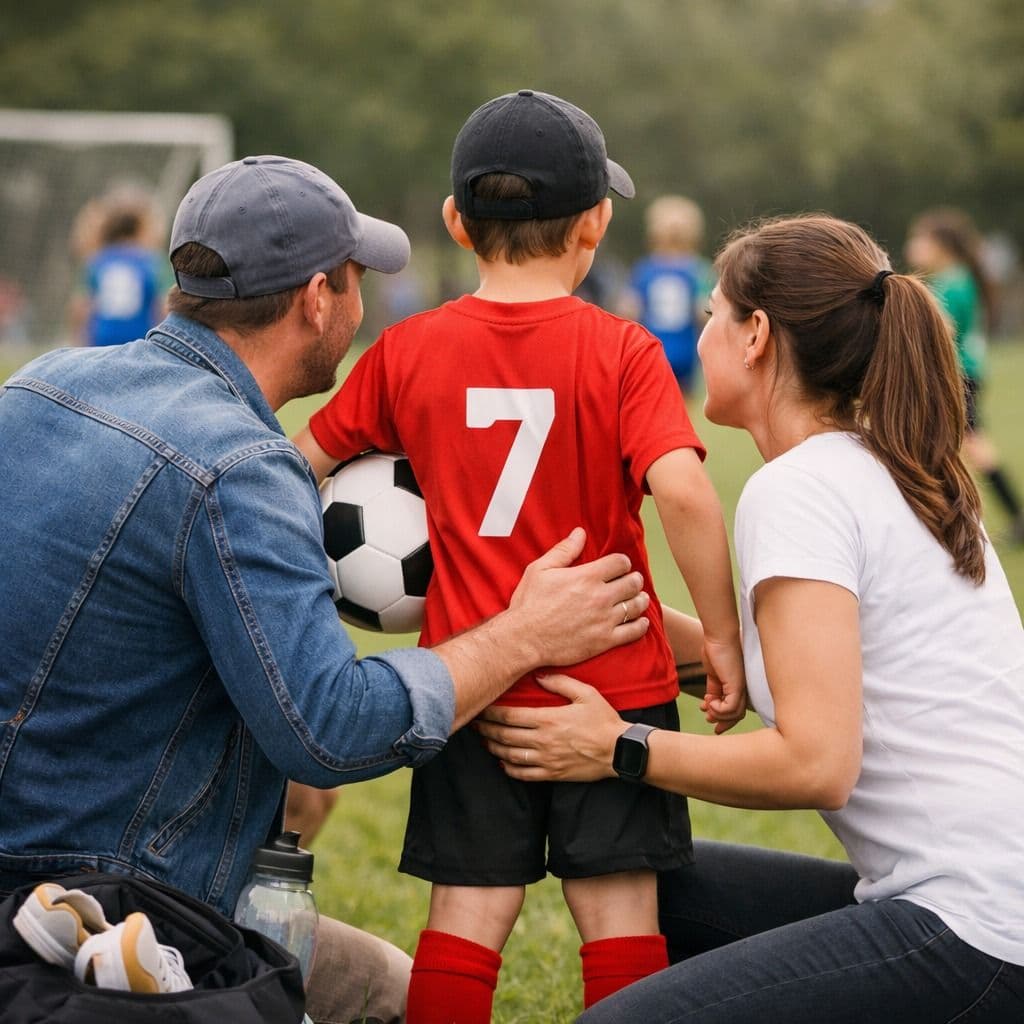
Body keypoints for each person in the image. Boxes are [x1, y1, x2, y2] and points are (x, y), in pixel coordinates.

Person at [0, 155, 653, 1024]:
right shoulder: (242, 465)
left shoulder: (40, 382)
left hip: (26, 849)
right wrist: (522, 635)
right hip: (120, 889)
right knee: (387, 995)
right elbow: (331, 729)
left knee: (378, 969)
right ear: (317, 299)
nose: (363, 302)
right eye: (356, 281)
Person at [478, 214, 1024, 1022]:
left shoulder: (799, 489)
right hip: (985, 903)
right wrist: (526, 608)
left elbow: (816, 764)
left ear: (756, 334)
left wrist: (618, 748)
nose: (701, 337)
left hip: (978, 932)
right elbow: (804, 666)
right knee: (638, 878)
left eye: (710, 314)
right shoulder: (891, 465)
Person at [293, 90, 746, 1022]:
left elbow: (299, 466)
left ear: (456, 222)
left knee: (465, 913)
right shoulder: (624, 351)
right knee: (619, 911)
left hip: (470, 691)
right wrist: (727, 642)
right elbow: (687, 491)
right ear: (597, 223)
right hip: (614, 691)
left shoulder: (407, 350)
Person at [905, 206, 1024, 543]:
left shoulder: (951, 284)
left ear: (940, 244)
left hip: (956, 376)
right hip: (965, 373)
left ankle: (974, 520)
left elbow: (932, 332)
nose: (913, 246)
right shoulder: (957, 279)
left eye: (920, 239)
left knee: (960, 445)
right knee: (955, 445)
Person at [624, 195, 714, 394]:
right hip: (686, 348)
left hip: (652, 347)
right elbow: (704, 311)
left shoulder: (645, 269)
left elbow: (630, 309)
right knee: (682, 407)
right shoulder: (698, 270)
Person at [69, 187, 167, 347]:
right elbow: (161, 307)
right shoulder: (151, 262)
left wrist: (78, 341)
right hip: (138, 342)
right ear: (142, 225)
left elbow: (81, 307)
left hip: (101, 341)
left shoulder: (97, 261)